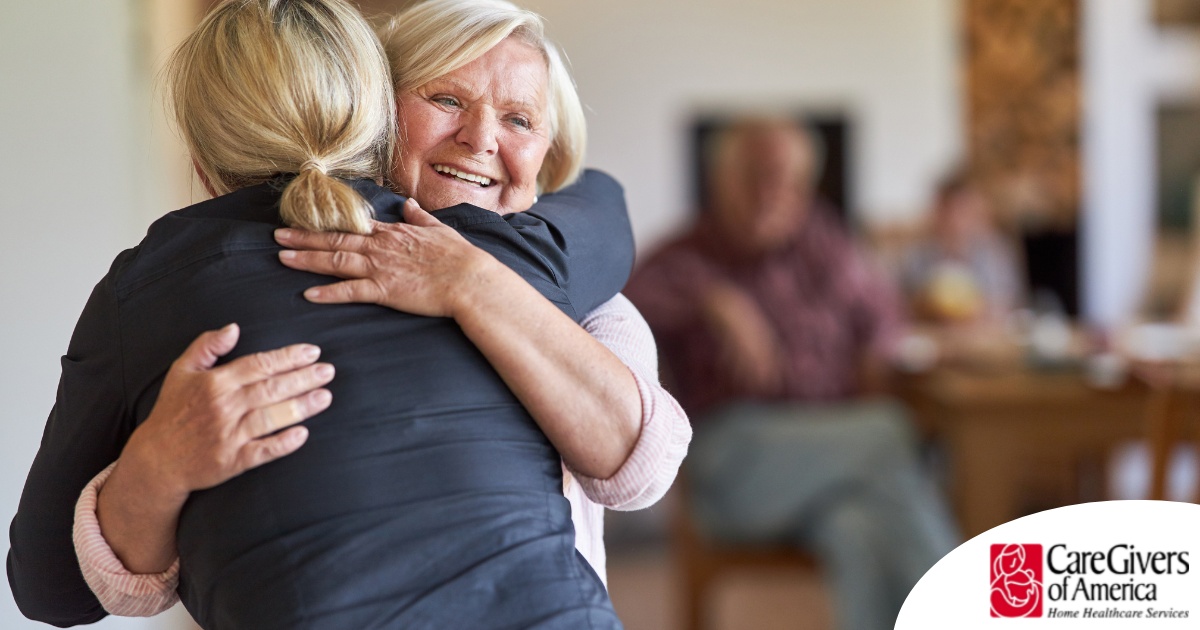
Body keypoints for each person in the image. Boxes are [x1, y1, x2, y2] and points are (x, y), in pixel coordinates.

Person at [9, 1, 689, 627]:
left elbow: (642, 471)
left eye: (520, 119)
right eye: (446, 99)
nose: (482, 138)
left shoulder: (552, 277)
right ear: (375, 117)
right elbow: (606, 205)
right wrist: (156, 468)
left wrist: (473, 283)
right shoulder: (539, 251)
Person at [625, 118, 957, 630]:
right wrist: (714, 299)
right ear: (720, 180)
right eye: (755, 176)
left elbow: (887, 318)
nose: (771, 194)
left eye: (788, 180)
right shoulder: (683, 256)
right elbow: (620, 305)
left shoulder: (824, 245)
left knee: (857, 526)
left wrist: (875, 349)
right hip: (734, 466)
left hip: (832, 464)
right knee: (890, 432)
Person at [902, 170, 1022, 325]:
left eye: (963, 210)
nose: (955, 220)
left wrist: (977, 312)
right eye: (948, 211)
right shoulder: (917, 257)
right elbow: (903, 306)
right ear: (937, 213)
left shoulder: (995, 254)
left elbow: (1007, 304)